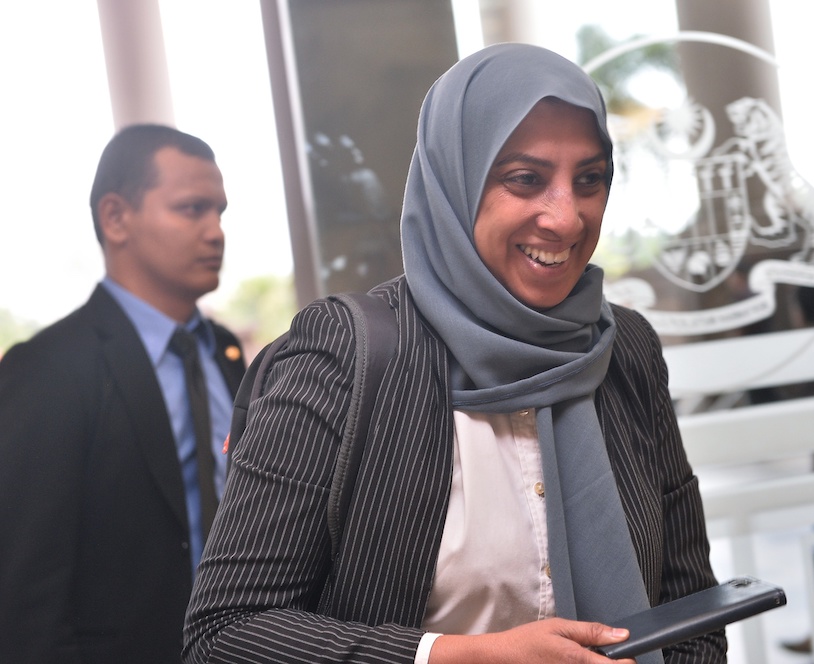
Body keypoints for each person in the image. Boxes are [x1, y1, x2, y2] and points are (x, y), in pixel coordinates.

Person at [183, 43, 725, 664]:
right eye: (525, 179)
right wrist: (455, 656)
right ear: (454, 181)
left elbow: (691, 610)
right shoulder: (342, 356)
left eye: (589, 180)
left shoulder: (623, 350)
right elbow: (225, 634)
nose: (567, 218)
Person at [0, 124, 246, 662]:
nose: (215, 232)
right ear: (115, 217)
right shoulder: (48, 370)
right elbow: (26, 593)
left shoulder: (224, 352)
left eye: (220, 212)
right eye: (192, 209)